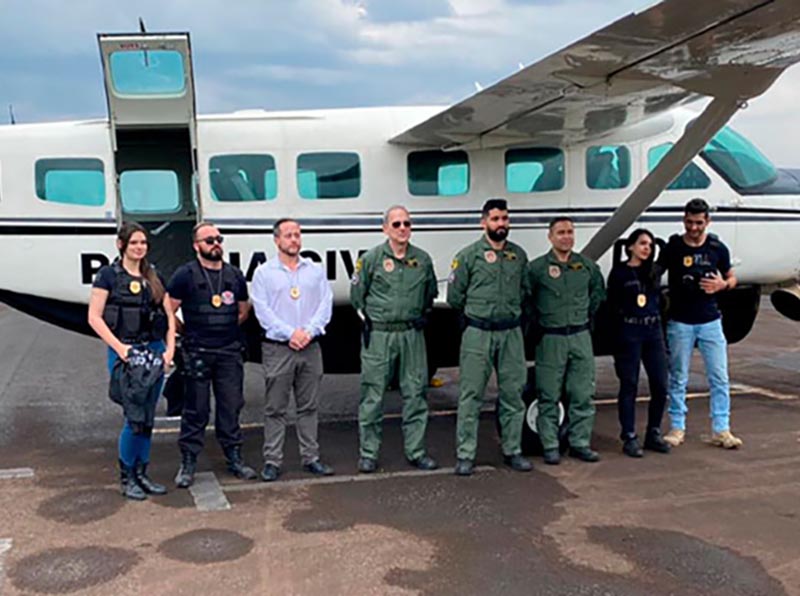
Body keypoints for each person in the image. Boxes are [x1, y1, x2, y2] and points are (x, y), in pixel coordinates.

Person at [88, 222, 176, 500]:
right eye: (134, 242)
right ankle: (127, 477)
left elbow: (170, 316)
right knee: (134, 417)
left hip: (153, 351)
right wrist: (121, 349)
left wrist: (169, 350)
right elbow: (94, 317)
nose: (140, 247)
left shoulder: (154, 275)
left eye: (144, 243)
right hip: (126, 353)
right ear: (121, 244)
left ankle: (142, 473)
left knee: (148, 417)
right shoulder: (107, 276)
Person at [166, 222, 258, 488]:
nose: (216, 243)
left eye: (218, 238)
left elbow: (243, 311)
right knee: (196, 410)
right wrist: (186, 331)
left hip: (229, 352)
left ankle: (234, 457)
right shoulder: (185, 275)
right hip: (197, 351)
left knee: (231, 407)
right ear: (196, 246)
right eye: (209, 240)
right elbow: (169, 310)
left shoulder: (234, 275)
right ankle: (188, 462)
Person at [447, 198, 532, 476]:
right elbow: (455, 297)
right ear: (483, 222)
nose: (501, 224)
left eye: (505, 219)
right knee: (471, 395)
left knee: (512, 394)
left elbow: (525, 291)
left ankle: (513, 450)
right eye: (495, 219)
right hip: (478, 333)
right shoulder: (468, 256)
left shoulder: (518, 256)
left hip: (510, 333)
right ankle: (466, 454)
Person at [351, 205, 439, 473]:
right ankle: (368, 453)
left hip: (411, 335)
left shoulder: (422, 260)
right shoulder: (371, 259)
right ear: (385, 228)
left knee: (415, 393)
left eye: (407, 224)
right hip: (380, 335)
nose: (403, 229)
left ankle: (416, 451)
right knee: (372, 396)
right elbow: (358, 297)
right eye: (397, 224)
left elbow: (429, 295)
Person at [250, 218, 335, 481]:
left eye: (297, 235)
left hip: (310, 347)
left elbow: (325, 303)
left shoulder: (315, 270)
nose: (294, 240)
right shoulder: (263, 273)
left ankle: (311, 458)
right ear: (277, 240)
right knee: (275, 408)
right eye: (288, 235)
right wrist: (291, 334)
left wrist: (308, 332)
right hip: (279, 348)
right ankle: (272, 461)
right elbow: (262, 311)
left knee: (308, 407)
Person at [657, 198, 742, 449]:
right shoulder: (673, 248)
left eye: (698, 223)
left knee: (719, 376)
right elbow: (655, 272)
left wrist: (723, 285)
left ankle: (721, 428)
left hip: (710, 320)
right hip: (680, 321)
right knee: (679, 376)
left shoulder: (717, 248)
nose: (693, 228)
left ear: (707, 222)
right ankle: (677, 426)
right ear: (684, 220)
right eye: (689, 222)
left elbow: (732, 277)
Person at [527, 217, 605, 465]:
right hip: (551, 338)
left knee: (582, 393)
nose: (566, 237)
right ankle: (550, 445)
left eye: (570, 232)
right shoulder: (537, 269)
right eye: (561, 232)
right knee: (548, 395)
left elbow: (597, 295)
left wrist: (583, 318)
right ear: (550, 237)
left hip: (580, 336)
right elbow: (527, 300)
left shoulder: (586, 267)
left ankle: (580, 443)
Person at [606, 229, 671, 457]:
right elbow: (612, 305)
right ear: (630, 246)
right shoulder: (620, 273)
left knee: (661, 384)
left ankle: (653, 431)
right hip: (629, 330)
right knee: (629, 384)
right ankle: (629, 435)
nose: (647, 248)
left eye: (650, 245)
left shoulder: (653, 272)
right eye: (642, 244)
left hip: (652, 331)